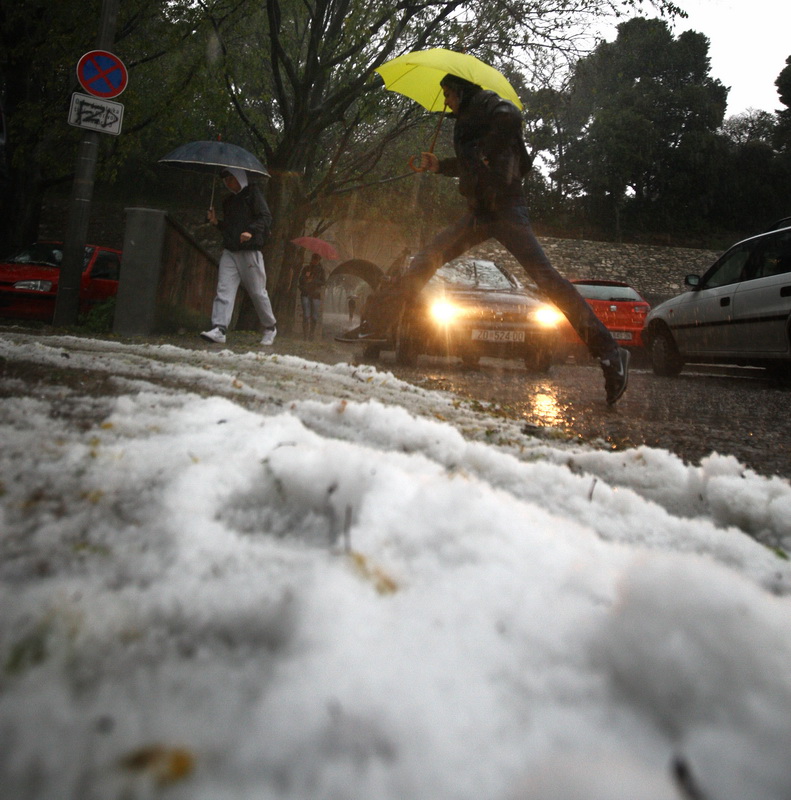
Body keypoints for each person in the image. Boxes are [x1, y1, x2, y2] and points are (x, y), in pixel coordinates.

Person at [338, 74, 629, 404]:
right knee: (424, 260)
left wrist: (487, 152)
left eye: (447, 93)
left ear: (460, 90)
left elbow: (511, 117)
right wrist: (441, 166)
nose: (445, 100)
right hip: (479, 212)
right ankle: (375, 325)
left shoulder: (485, 102)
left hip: (507, 209)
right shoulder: (467, 116)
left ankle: (610, 353)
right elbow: (474, 164)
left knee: (547, 280)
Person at [201, 167, 277, 346]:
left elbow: (266, 217)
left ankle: (270, 327)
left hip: (250, 251)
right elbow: (229, 227)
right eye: (226, 179)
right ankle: (219, 328)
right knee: (224, 289)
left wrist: (250, 231)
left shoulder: (253, 193)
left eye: (231, 178)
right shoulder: (228, 201)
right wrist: (216, 222)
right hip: (230, 251)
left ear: (240, 177)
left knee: (257, 292)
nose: (228, 182)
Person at [297, 252, 326, 339]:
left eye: (317, 260)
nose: (315, 261)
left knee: (314, 316)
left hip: (315, 295)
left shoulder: (321, 270)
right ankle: (305, 335)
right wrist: (306, 279)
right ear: (312, 260)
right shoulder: (306, 268)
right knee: (306, 315)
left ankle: (311, 334)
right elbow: (301, 279)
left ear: (319, 261)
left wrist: (314, 281)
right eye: (314, 259)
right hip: (305, 293)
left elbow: (323, 281)